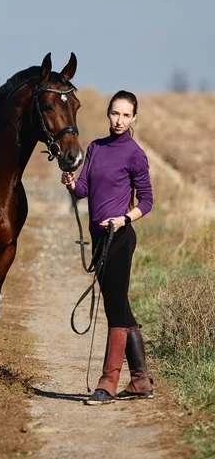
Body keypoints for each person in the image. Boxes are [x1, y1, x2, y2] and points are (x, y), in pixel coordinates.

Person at [61, 90, 153, 405]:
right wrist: (72, 183)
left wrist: (124, 219)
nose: (119, 120)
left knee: (114, 310)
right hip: (99, 239)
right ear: (108, 113)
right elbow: (84, 190)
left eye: (126, 115)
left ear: (133, 118)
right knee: (121, 307)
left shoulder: (135, 154)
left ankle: (108, 383)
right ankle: (140, 381)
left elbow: (147, 201)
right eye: (115, 113)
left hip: (121, 238)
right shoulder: (96, 148)